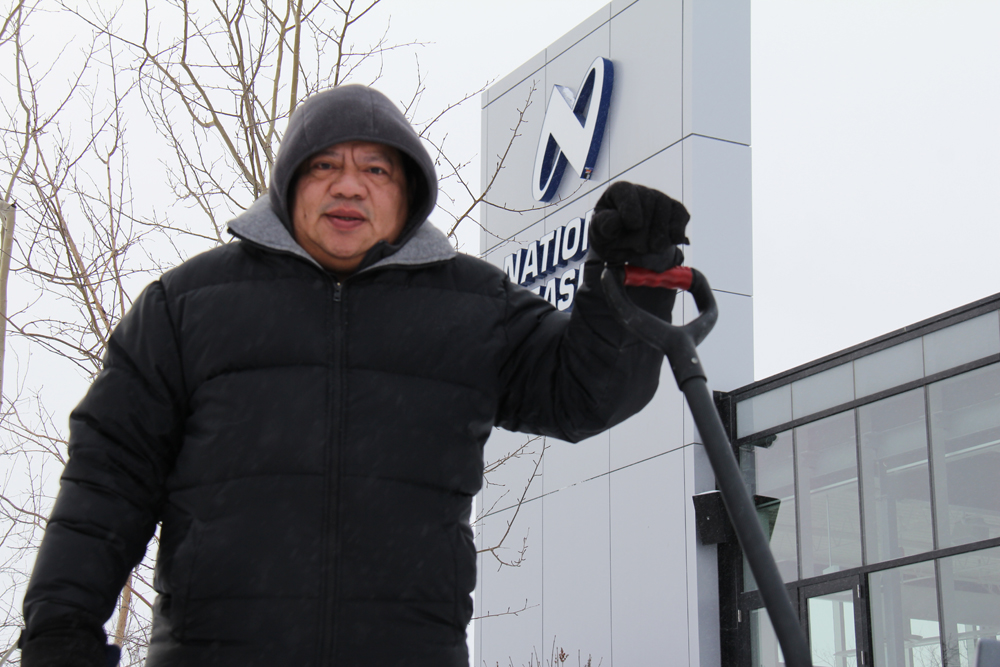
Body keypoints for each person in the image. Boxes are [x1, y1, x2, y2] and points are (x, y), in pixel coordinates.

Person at [19, 84, 690, 667]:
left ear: (408, 194)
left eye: (376, 169)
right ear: (289, 185)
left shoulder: (473, 307)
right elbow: (107, 479)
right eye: (324, 166)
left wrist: (634, 273)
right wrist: (61, 630)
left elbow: (586, 393)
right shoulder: (187, 307)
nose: (349, 185)